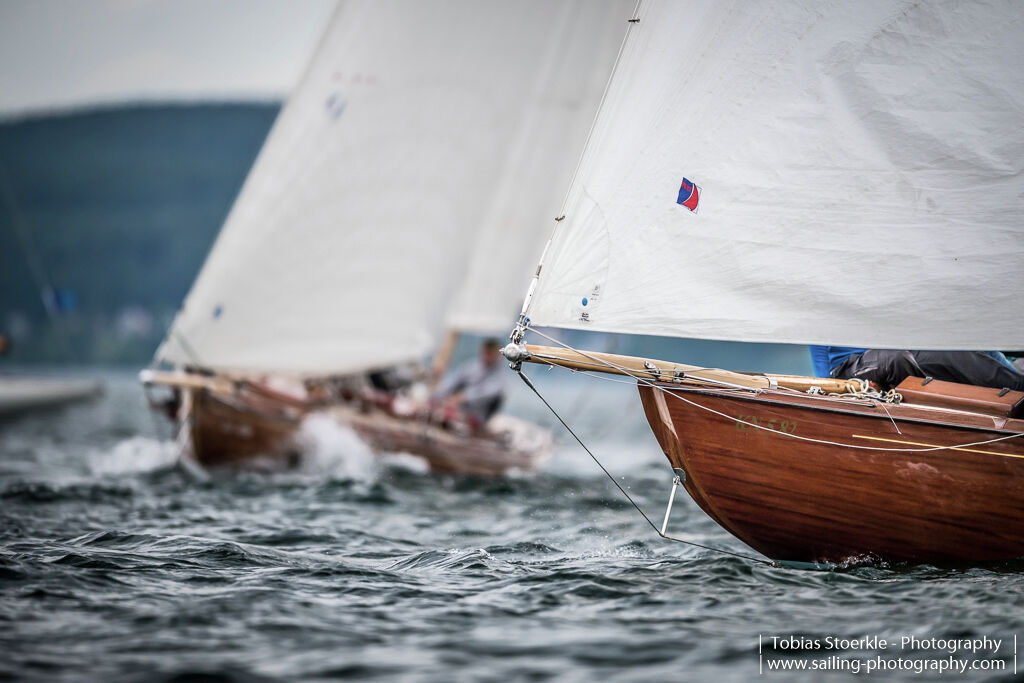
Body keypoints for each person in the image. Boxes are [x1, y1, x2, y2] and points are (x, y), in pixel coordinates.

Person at [809, 345, 1024, 391]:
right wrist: (828, 386)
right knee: (898, 358)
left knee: (964, 347)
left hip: (901, 348)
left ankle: (1016, 387)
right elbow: (823, 372)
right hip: (849, 367)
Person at [433, 338, 506, 432]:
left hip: (477, 418)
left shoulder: (500, 378)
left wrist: (462, 397)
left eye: (491, 354)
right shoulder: (471, 367)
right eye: (486, 352)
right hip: (456, 409)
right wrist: (437, 397)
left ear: (498, 356)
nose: (487, 356)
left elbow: (485, 393)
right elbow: (451, 383)